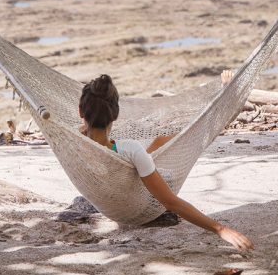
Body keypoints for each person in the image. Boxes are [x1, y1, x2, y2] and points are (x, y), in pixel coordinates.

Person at [78, 71, 254, 252]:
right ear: (115, 115)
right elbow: (170, 202)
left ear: (80, 112)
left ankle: (218, 107)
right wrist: (221, 229)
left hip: (112, 200)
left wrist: (85, 129)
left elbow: (91, 136)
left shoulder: (75, 142)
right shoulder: (131, 149)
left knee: (161, 141)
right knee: (179, 138)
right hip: (141, 204)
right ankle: (220, 107)